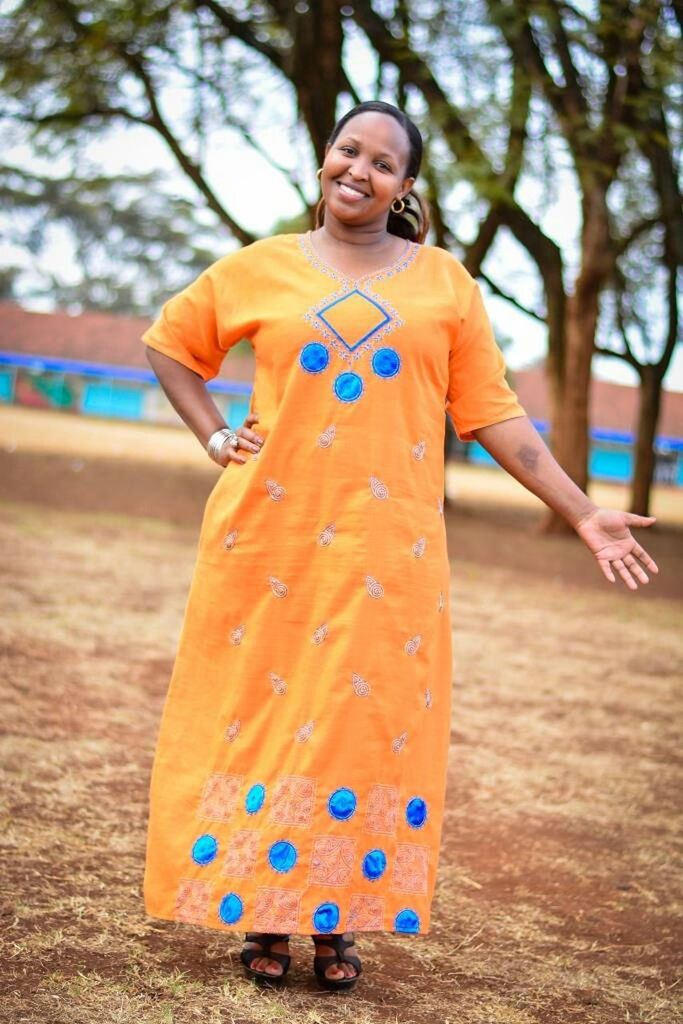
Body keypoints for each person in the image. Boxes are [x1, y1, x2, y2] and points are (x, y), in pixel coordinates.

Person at [141, 100, 658, 992]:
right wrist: (214, 434)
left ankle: (337, 917)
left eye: (383, 162)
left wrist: (580, 510)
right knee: (266, 712)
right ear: (323, 160)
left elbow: (494, 413)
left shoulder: (446, 286)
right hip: (270, 538)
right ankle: (267, 906)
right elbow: (170, 345)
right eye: (347, 150)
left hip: (389, 553)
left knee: (364, 725)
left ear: (406, 186)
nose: (359, 169)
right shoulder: (259, 267)